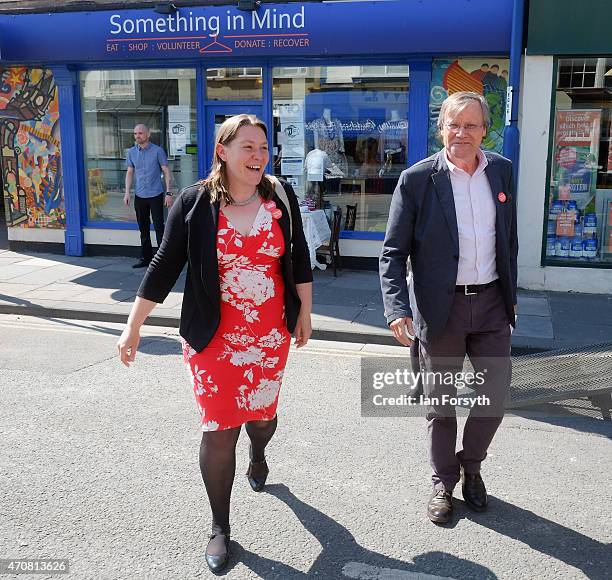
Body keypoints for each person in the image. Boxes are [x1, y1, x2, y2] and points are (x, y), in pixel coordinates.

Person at [117, 114, 313, 573]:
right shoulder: (193, 203)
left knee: (262, 418)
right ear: (222, 152)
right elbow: (164, 265)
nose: (258, 157)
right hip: (213, 338)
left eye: (263, 148)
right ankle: (220, 527)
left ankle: (259, 449)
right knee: (218, 428)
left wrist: (304, 311)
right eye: (247, 147)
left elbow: (299, 255)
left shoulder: (280, 197)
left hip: (268, 336)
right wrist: (133, 325)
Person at [380, 91, 518, 525]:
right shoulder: (419, 179)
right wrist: (397, 308)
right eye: (454, 124)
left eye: (471, 125)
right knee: (440, 404)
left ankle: (470, 466)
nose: (462, 133)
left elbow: (507, 238)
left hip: (493, 301)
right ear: (441, 127)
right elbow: (392, 251)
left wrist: (513, 295)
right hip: (441, 309)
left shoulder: (502, 171)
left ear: (484, 130)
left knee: (493, 397)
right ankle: (443, 481)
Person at [124, 124, 173, 268]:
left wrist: (169, 193)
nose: (137, 136)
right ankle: (146, 258)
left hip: (156, 194)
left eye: (140, 133)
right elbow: (129, 172)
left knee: (159, 227)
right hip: (140, 196)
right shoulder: (131, 152)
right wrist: (127, 192)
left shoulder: (158, 151)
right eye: (135, 133)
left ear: (148, 134)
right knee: (143, 228)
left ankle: (163, 259)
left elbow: (166, 172)